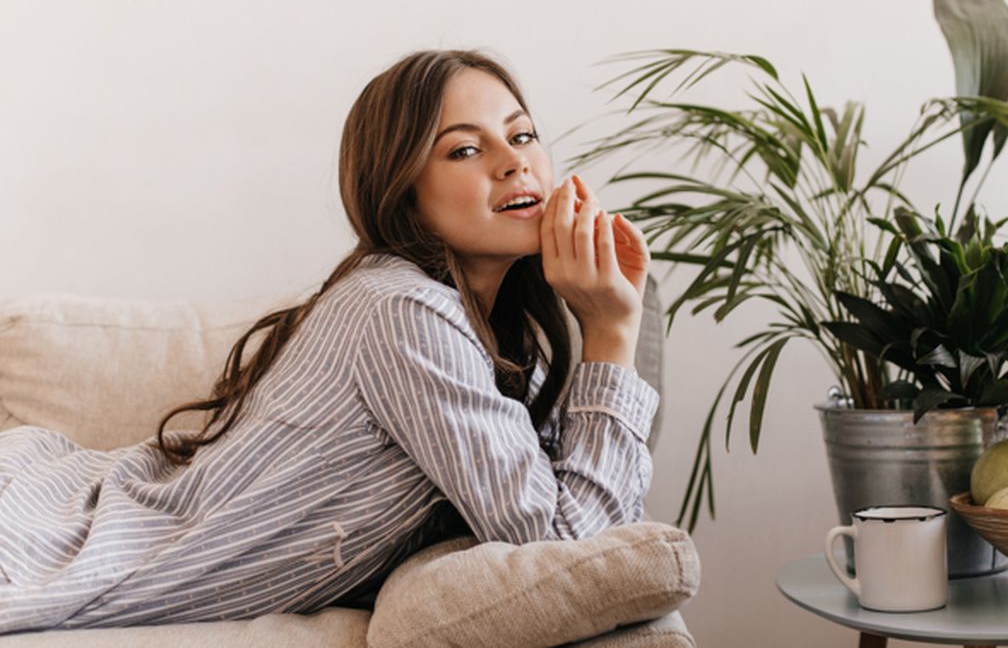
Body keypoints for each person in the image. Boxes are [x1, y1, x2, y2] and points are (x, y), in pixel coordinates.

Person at [0, 49, 659, 632]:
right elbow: (564, 546)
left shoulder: (489, 337)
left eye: (523, 135)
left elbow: (599, 531)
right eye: (465, 148)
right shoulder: (404, 312)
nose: (515, 162)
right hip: (43, 533)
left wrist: (606, 324)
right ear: (402, 192)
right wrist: (610, 332)